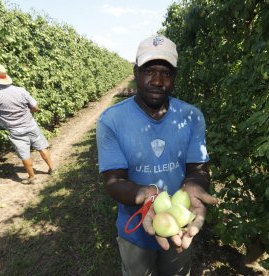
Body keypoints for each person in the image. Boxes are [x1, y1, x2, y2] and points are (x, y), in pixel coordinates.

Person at [97, 34, 217, 275]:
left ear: (175, 77)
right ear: (135, 72)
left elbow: (197, 169)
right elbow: (113, 180)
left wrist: (194, 185)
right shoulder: (112, 120)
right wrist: (143, 195)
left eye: (167, 73)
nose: (158, 80)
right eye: (149, 70)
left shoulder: (192, 117)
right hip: (134, 233)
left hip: (180, 226)